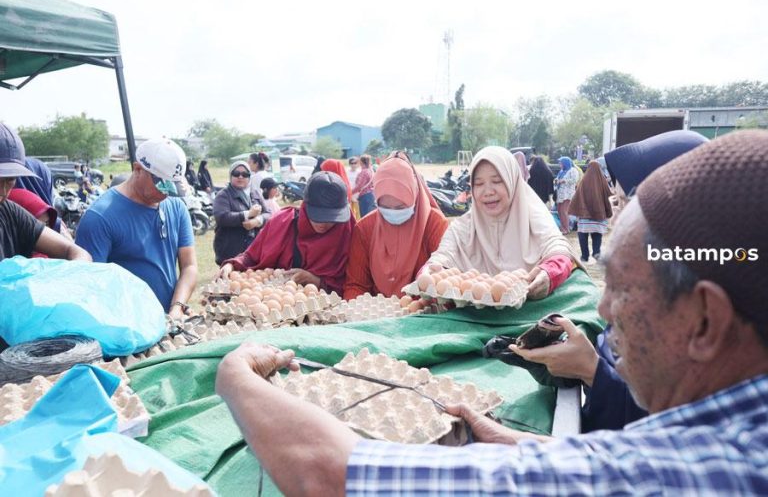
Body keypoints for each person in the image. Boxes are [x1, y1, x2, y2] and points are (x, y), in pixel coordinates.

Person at [216, 130, 768, 495]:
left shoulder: (694, 474)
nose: (602, 309)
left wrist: (238, 380)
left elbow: (335, 473)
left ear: (703, 322)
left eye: (622, 291)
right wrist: (522, 441)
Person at [512, 130, 710, 432]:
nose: (616, 219)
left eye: (622, 203)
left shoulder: (697, 303)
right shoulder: (653, 273)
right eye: (615, 203)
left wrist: (592, 371)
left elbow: (667, 430)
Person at [425, 147, 578, 300]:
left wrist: (550, 273)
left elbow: (558, 249)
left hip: (529, 312)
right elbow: (443, 256)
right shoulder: (463, 227)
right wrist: (429, 272)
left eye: (497, 181)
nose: (488, 191)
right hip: (474, 316)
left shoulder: (534, 216)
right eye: (479, 184)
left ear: (512, 181)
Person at [75, 138, 197, 318]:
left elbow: (189, 266)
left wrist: (177, 307)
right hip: (126, 326)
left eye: (171, 187)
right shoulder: (100, 218)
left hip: (168, 320)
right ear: (138, 169)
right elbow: (90, 287)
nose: (165, 194)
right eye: (161, 185)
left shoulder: (176, 207)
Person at [217, 172, 355, 295]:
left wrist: (318, 282)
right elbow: (251, 256)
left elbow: (357, 284)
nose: (323, 223)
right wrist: (232, 265)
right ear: (304, 206)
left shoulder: (347, 232)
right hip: (275, 311)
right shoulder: (283, 224)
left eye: (331, 218)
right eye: (317, 215)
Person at [343, 151, 449, 299]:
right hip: (377, 316)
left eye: (400, 207)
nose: (393, 213)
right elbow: (356, 284)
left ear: (415, 194)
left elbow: (445, 282)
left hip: (424, 313)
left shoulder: (434, 224)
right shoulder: (365, 228)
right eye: (385, 207)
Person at [0, 122, 91, 262]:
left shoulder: (9, 213)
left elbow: (75, 251)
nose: (3, 191)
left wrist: (71, 274)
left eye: (10, 179)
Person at [212, 162, 272, 266]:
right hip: (230, 249)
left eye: (245, 174)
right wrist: (247, 214)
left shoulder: (254, 193)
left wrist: (257, 221)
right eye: (236, 173)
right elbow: (221, 217)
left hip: (253, 248)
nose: (240, 177)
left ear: (249, 177)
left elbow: (268, 214)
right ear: (231, 176)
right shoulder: (223, 195)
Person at [569, 160, 613, 262]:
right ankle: (596, 253)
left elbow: (577, 196)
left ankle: (584, 256)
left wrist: (576, 209)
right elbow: (608, 195)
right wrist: (607, 211)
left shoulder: (583, 181)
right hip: (598, 215)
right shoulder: (603, 181)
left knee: (582, 235)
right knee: (597, 234)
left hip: (584, 216)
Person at [554, 156, 579, 234]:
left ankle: (566, 228)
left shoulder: (573, 170)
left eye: (561, 163)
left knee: (564, 211)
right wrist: (556, 180)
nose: (560, 165)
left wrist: (563, 181)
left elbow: (574, 180)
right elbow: (557, 178)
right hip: (560, 193)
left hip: (567, 194)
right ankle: (563, 227)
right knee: (559, 210)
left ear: (565, 163)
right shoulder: (562, 171)